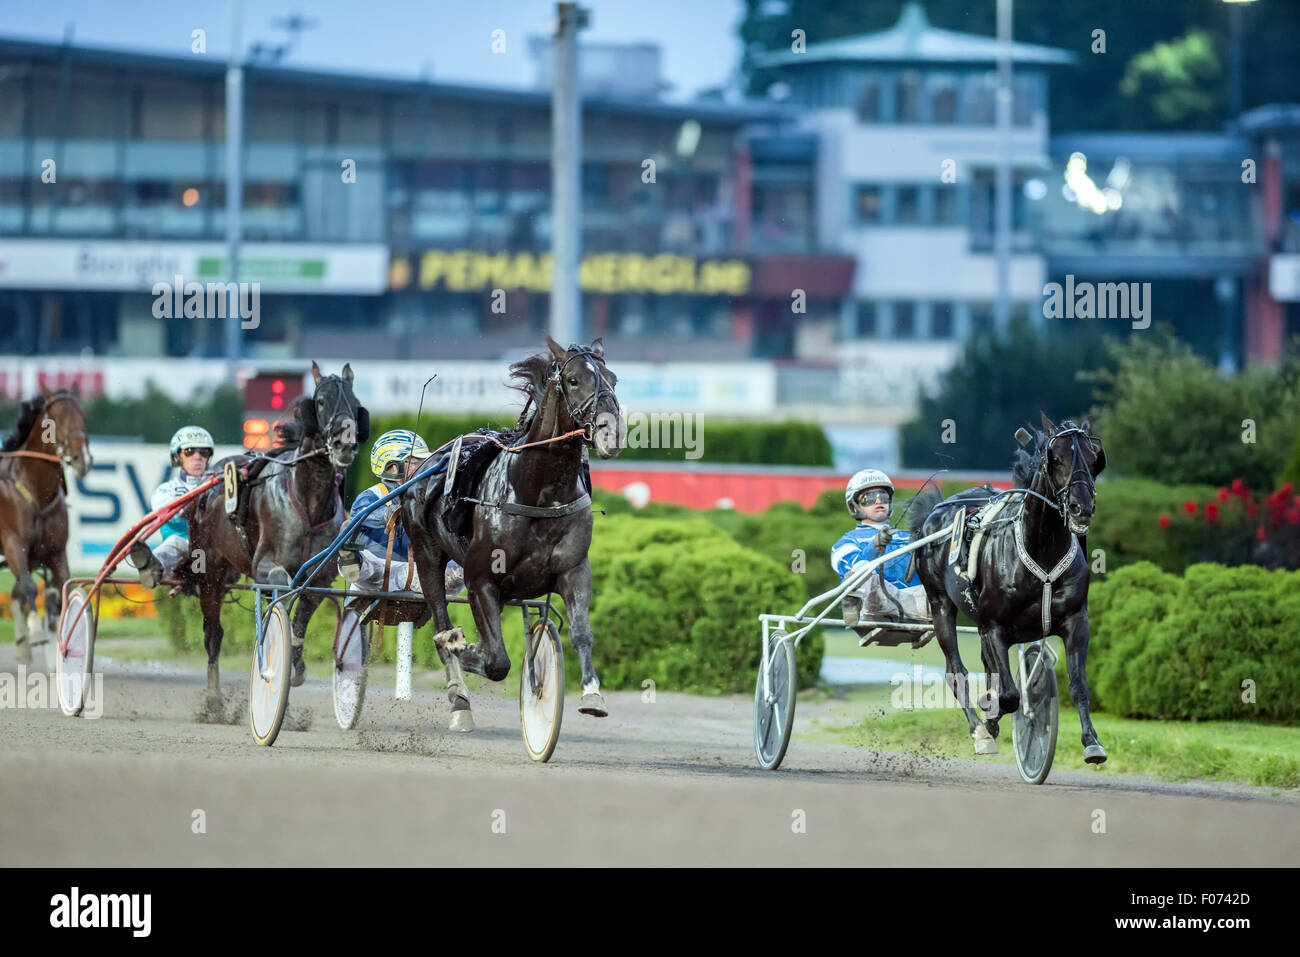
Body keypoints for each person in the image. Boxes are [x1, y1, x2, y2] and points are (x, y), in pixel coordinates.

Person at [337, 429, 465, 599]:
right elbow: (362, 515)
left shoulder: (429, 495)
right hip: (378, 571)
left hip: (418, 573)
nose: (422, 466)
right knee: (365, 566)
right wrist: (391, 513)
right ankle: (350, 558)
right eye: (414, 462)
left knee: (462, 571)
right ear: (392, 467)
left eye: (423, 461)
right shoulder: (372, 495)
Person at [831, 469, 930, 624]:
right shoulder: (846, 542)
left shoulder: (910, 538)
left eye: (882, 497)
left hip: (920, 602)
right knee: (860, 573)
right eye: (868, 498)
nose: (878, 501)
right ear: (854, 506)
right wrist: (874, 547)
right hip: (877, 603)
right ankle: (852, 603)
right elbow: (851, 568)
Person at [129, 426, 216, 588]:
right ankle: (153, 567)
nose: (197, 457)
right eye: (190, 451)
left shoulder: (219, 487)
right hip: (182, 552)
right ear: (177, 457)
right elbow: (171, 514)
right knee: (176, 542)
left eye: (203, 452)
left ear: (208, 457)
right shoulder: (166, 490)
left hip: (210, 553)